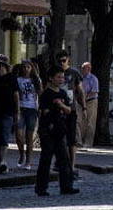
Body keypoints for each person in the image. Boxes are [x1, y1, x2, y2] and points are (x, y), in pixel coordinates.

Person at [35, 67, 79, 197]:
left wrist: (61, 105)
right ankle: (41, 188)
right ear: (51, 78)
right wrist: (57, 107)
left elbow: (69, 110)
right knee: (46, 159)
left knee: (64, 160)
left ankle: (66, 186)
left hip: (60, 130)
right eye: (58, 77)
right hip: (47, 130)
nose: (61, 79)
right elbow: (44, 112)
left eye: (62, 77)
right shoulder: (46, 94)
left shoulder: (63, 93)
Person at [56, 53, 84, 177]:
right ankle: (60, 163)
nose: (61, 63)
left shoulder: (74, 73)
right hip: (56, 110)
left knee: (72, 139)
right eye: (59, 61)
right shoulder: (54, 72)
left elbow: (80, 90)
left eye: (63, 60)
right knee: (58, 138)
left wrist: (83, 107)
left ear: (68, 60)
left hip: (71, 109)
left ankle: (71, 166)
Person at [15, 61, 41, 170]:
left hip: (32, 109)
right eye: (24, 67)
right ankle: (22, 154)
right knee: (18, 135)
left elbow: (41, 93)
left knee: (29, 137)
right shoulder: (18, 80)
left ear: (32, 68)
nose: (26, 69)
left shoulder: (36, 80)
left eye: (28, 67)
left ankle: (28, 161)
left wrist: (40, 108)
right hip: (20, 108)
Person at [79, 62, 99, 148]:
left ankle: (88, 142)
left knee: (90, 121)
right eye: (82, 68)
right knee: (81, 121)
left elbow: (94, 91)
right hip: (81, 101)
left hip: (91, 101)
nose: (82, 69)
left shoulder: (93, 78)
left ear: (89, 69)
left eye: (84, 68)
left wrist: (85, 97)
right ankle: (80, 141)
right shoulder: (80, 78)